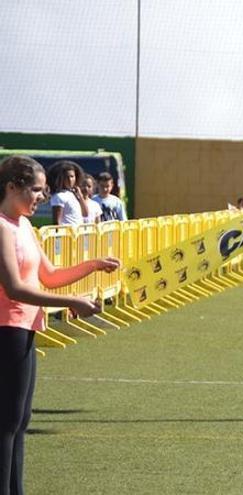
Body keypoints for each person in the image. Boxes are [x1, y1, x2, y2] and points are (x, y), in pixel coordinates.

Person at [0, 155, 119, 495]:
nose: (41, 197)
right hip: (6, 329)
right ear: (12, 187)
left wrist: (94, 264)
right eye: (36, 190)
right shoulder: (2, 227)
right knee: (6, 423)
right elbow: (15, 288)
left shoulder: (24, 225)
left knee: (19, 421)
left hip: (24, 328)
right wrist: (72, 303)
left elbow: (49, 277)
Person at [47, 161, 86, 226]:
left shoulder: (73, 194)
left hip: (77, 234)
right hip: (67, 235)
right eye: (66, 177)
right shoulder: (58, 196)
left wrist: (80, 196)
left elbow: (85, 214)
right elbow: (57, 221)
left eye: (72, 176)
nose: (70, 180)